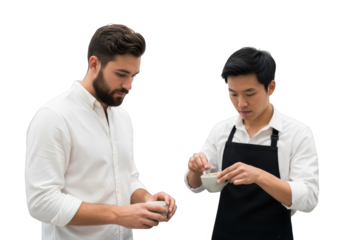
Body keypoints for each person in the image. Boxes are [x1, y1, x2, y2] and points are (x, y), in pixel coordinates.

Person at [25, 21, 178, 240]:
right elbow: (41, 203)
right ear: (94, 64)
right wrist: (119, 215)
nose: (128, 85)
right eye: (121, 74)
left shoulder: (123, 116)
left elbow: (128, 177)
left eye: (134, 76)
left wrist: (147, 199)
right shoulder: (54, 116)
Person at [184, 45, 319, 240]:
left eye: (250, 94)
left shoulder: (298, 132)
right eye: (233, 94)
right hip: (224, 235)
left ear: (271, 87)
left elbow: (309, 200)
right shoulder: (221, 128)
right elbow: (196, 187)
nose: (241, 104)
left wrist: (259, 176)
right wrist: (195, 170)